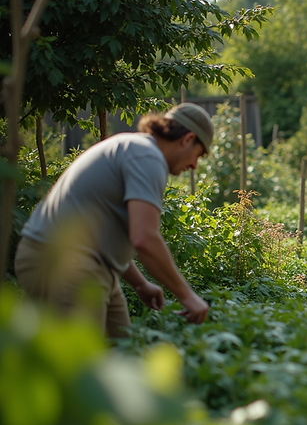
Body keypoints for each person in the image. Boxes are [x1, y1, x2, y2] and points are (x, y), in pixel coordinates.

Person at [15, 103, 213, 337]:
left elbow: (103, 234)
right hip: (64, 261)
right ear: (188, 139)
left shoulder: (134, 148)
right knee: (81, 367)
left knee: (121, 349)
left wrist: (139, 283)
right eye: (198, 156)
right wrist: (187, 296)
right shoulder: (148, 156)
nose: (193, 166)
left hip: (88, 261)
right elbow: (144, 238)